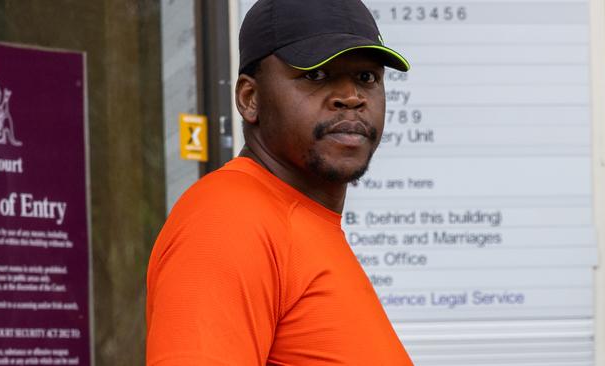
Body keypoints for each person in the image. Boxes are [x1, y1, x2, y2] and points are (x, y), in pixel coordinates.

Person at [146, 0, 413, 364]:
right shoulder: (227, 220)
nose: (351, 97)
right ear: (249, 98)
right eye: (316, 75)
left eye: (367, 77)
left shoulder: (299, 221)